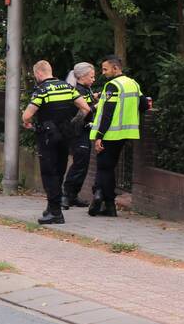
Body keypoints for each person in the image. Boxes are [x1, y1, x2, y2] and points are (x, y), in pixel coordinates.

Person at [22, 60, 91, 224]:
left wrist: (27, 123)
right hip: (65, 135)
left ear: (39, 73)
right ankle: (52, 207)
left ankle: (55, 212)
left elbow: (27, 115)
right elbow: (86, 108)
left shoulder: (42, 90)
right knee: (59, 171)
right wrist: (73, 123)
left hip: (47, 136)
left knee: (49, 173)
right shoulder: (68, 87)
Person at [89, 55, 145, 217]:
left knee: (104, 168)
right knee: (109, 167)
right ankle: (106, 203)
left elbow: (107, 113)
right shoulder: (133, 83)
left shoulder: (112, 85)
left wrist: (99, 135)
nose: (103, 72)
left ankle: (104, 199)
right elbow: (143, 104)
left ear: (115, 68)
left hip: (110, 134)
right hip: (125, 133)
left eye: (105, 69)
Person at [62, 62, 97, 209]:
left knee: (82, 164)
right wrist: (96, 106)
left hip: (83, 131)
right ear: (82, 76)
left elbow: (87, 101)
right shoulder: (77, 90)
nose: (94, 79)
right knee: (79, 163)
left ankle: (72, 195)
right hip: (77, 131)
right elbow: (82, 111)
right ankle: (65, 195)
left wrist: (96, 96)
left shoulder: (85, 89)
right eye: (91, 76)